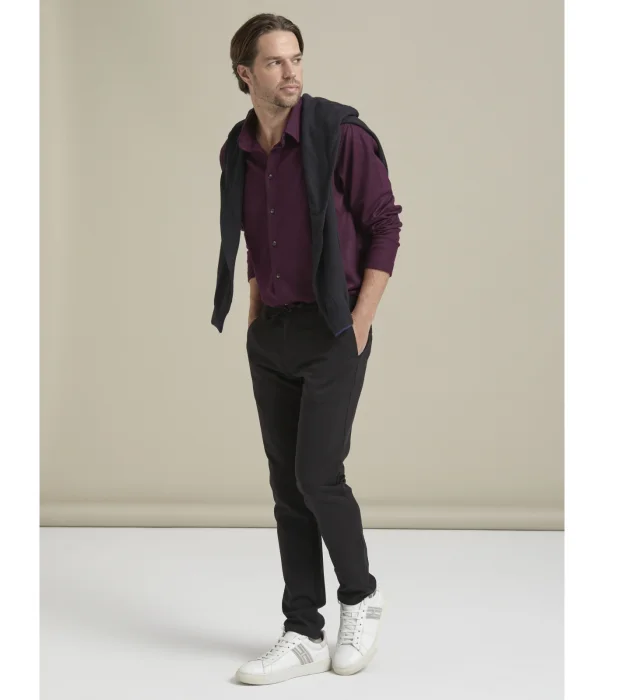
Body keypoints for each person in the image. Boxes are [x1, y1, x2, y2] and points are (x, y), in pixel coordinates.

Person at [213, 13, 402, 686]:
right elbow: (254, 235)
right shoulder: (239, 148)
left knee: (319, 475)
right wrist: (255, 307)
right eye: (275, 62)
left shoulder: (338, 133)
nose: (291, 72)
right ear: (246, 74)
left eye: (296, 58)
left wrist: (359, 321)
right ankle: (302, 632)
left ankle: (361, 597)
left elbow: (385, 225)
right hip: (272, 335)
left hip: (332, 330)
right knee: (286, 487)